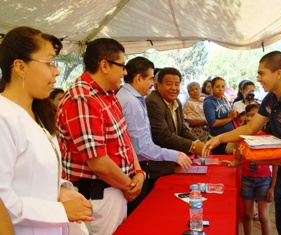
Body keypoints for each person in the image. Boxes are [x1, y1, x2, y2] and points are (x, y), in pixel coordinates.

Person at [203, 51, 281, 235]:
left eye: (262, 73)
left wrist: (262, 160)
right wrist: (219, 138)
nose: (258, 78)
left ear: (278, 73)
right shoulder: (271, 98)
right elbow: (250, 128)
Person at [0, 26, 93, 235]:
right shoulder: (3, 117)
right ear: (20, 67)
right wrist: (59, 211)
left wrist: (60, 191)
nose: (57, 71)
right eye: (49, 62)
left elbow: (32, 175)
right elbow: (3, 201)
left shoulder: (36, 114)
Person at [56, 38, 144, 235]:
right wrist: (130, 184)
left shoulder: (108, 95)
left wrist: (138, 172)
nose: (125, 72)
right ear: (104, 65)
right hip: (98, 196)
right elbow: (99, 164)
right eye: (122, 65)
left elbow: (124, 140)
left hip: (116, 189)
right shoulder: (83, 98)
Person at [116, 57, 191, 214]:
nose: (152, 83)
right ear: (138, 78)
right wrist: (174, 155)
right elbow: (142, 148)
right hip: (132, 172)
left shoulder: (134, 98)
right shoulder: (131, 102)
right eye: (150, 78)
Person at [222, 103, 278, 235]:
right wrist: (230, 164)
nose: (249, 118)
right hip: (247, 179)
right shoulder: (241, 138)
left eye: (254, 115)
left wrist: (272, 187)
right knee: (247, 215)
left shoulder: (268, 137)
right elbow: (237, 160)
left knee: (263, 217)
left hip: (264, 180)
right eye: (248, 115)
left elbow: (276, 164)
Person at [145, 67, 204, 180]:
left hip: (173, 161)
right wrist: (193, 146)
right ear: (158, 85)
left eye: (177, 84)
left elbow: (181, 127)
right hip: (158, 165)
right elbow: (164, 136)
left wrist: (197, 142)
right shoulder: (153, 102)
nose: (174, 88)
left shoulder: (176, 101)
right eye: (169, 84)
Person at [203, 77, 237, 154]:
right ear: (212, 87)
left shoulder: (224, 99)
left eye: (223, 86)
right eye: (217, 86)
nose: (220, 89)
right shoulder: (208, 102)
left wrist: (232, 113)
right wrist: (229, 119)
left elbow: (228, 115)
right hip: (217, 139)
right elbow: (213, 123)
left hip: (229, 139)